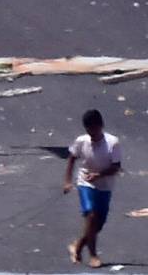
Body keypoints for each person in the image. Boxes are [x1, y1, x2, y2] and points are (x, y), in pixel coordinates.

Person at [64, 109, 122, 268]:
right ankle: (94, 256)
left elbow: (116, 167)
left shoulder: (112, 143)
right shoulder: (81, 141)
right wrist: (68, 181)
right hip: (85, 182)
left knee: (98, 224)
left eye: (95, 130)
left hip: (105, 185)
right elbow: (71, 159)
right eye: (90, 131)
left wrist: (99, 175)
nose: (93, 135)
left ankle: (78, 244)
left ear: (101, 126)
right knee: (91, 214)